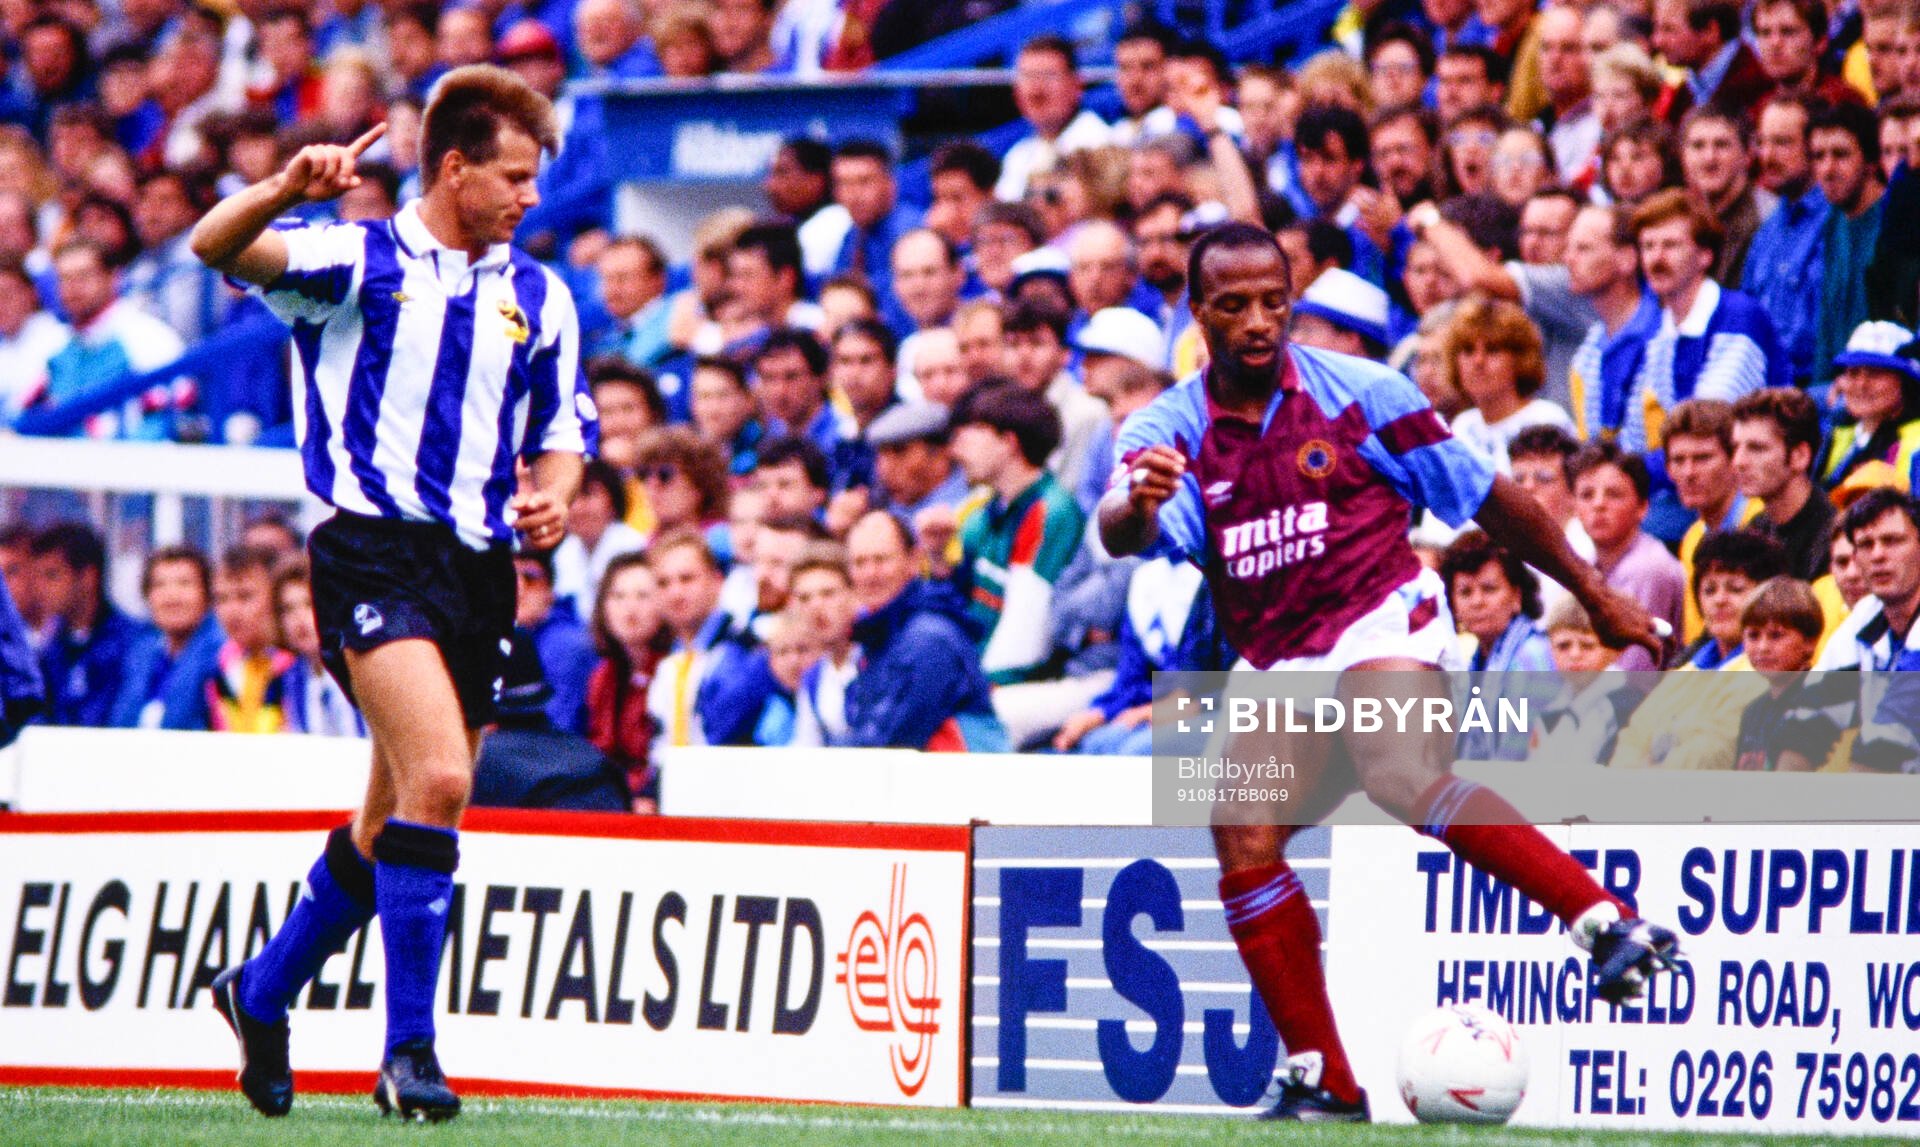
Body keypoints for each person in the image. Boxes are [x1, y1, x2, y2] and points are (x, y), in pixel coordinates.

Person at [1101, 223, 1674, 1119]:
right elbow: (1124, 525)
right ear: (1198, 313)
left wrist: (1595, 594)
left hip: (1382, 616)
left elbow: (1491, 498)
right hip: (1283, 659)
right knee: (1241, 828)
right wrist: (1133, 504)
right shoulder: (1169, 426)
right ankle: (1324, 1076)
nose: (1258, 321)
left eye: (1274, 301)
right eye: (1234, 305)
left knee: (1399, 772)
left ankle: (1604, 921)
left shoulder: (1366, 392)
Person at [190, 67, 590, 1121]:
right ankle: (408, 1050)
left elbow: (563, 431)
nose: (531, 197)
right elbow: (213, 246)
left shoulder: (539, 295)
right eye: (514, 177)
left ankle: (259, 989)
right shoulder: (352, 259)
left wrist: (553, 497)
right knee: (445, 778)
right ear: (454, 168)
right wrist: (286, 189)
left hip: (479, 571)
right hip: (370, 552)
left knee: (390, 819)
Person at [839, 511, 1007, 749]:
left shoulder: (928, 637)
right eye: (859, 563)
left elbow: (892, 738)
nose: (870, 574)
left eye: (881, 560)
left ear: (913, 561)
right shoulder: (878, 635)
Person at [1439, 529, 1555, 761]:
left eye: (1489, 589)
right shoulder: (1477, 658)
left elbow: (1515, 756)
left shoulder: (1532, 656)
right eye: (1465, 592)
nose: (1477, 601)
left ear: (1516, 596)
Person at [1570, 442, 1687, 668]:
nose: (1598, 504)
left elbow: (1637, 669)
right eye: (1586, 495)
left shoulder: (1649, 568)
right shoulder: (1589, 563)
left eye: (1614, 495)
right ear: (1574, 506)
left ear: (1642, 507)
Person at [1665, 399, 1765, 644]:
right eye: (1678, 460)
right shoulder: (1693, 538)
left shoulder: (1763, 524)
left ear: (1734, 461)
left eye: (1702, 458)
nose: (1688, 472)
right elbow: (1697, 637)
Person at [1441, 295, 1575, 473]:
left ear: (1521, 359)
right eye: (1468, 350)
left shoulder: (1546, 418)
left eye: (1492, 350)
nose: (1478, 361)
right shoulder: (1463, 426)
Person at [1733, 576, 1851, 772]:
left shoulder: (1822, 701)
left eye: (1776, 635)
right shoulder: (1753, 712)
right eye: (1753, 635)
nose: (1762, 647)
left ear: (1810, 641)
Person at [30, 522, 142, 728]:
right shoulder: (50, 649)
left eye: (52, 575)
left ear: (88, 577)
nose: (40, 588)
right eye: (37, 578)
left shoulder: (133, 645)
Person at [586, 551, 672, 812]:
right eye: (618, 596)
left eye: (642, 596)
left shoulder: (671, 669)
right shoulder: (603, 675)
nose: (630, 608)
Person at [112, 545, 225, 730]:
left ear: (207, 595)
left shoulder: (220, 655)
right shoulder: (139, 652)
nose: (172, 595)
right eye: (160, 584)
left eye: (184, 583)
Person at [1735, 388, 1838, 580]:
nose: (1739, 461)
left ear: (1800, 456)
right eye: (1735, 448)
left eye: (1757, 448)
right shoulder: (1755, 530)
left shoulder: (1833, 538)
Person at [1820, 321, 1920, 490]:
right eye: (1853, 373)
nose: (1861, 385)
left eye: (1875, 374)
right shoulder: (1838, 432)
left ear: (1906, 382)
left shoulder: (1916, 442)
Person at [274, 558, 367, 737]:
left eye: (309, 604)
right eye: (288, 609)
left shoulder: (360, 666)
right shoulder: (291, 678)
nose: (299, 618)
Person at [513, 550, 598, 734]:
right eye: (510, 578)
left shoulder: (567, 643)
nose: (519, 588)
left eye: (530, 578)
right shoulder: (507, 636)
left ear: (550, 592)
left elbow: (558, 724)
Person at [1683, 529, 1790, 670]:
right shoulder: (1688, 669)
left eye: (1735, 589)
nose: (1719, 600)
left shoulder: (1773, 671)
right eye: (1710, 590)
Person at [551, 460, 647, 617]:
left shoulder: (632, 546)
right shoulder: (564, 553)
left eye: (588, 494)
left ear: (613, 500)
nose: (578, 508)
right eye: (571, 498)